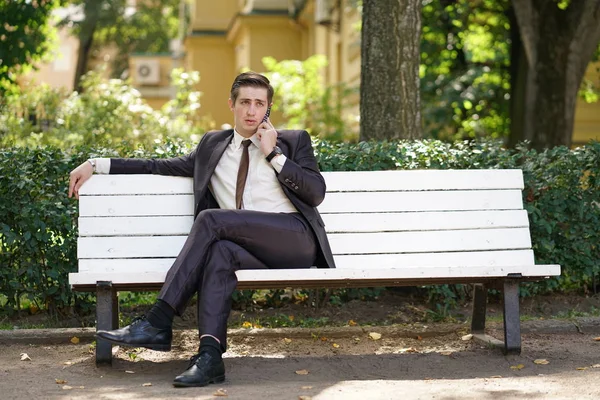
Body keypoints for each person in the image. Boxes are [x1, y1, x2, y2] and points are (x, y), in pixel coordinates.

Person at [68, 71, 335, 388]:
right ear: (231, 105)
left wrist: (273, 153)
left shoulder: (292, 141)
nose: (252, 111)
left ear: (269, 108)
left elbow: (315, 193)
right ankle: (210, 358)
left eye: (259, 104)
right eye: (245, 102)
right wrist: (97, 164)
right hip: (249, 247)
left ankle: (158, 320)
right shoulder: (213, 146)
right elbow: (158, 165)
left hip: (295, 240)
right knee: (219, 253)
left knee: (211, 219)